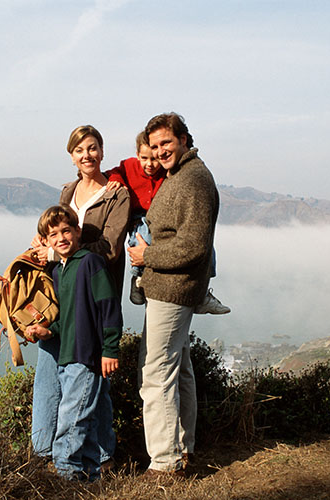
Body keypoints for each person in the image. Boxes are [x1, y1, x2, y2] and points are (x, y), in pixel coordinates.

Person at [29, 125, 130, 467]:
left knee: (90, 382)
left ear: (102, 151)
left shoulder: (117, 194)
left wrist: (58, 254)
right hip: (64, 297)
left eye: (92, 148)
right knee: (53, 380)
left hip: (94, 297)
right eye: (79, 150)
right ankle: (48, 453)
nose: (86, 155)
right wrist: (41, 248)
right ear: (71, 156)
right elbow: (55, 230)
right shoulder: (68, 190)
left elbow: (110, 249)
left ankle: (88, 459)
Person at [128, 112, 219, 476]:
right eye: (154, 146)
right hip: (168, 287)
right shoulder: (177, 176)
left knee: (155, 373)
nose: (160, 150)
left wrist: (146, 254)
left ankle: (165, 464)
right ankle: (183, 450)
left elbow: (195, 245)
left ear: (183, 139)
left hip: (174, 288)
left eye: (166, 142)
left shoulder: (194, 179)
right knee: (178, 370)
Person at [25, 205, 122, 481]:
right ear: (45, 241)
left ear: (78, 231)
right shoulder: (59, 272)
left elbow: (109, 308)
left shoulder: (91, 262)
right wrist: (48, 331)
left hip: (87, 356)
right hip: (66, 357)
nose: (61, 238)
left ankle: (65, 477)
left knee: (71, 419)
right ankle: (90, 478)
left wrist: (110, 350)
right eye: (53, 234)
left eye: (66, 231)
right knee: (86, 421)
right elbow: (65, 317)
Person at [106, 132, 230, 314]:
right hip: (138, 217)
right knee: (144, 237)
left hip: (158, 217)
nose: (149, 164)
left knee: (207, 248)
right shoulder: (129, 165)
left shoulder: (167, 171)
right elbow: (114, 172)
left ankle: (203, 292)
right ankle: (137, 279)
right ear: (137, 154)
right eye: (144, 158)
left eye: (154, 159)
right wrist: (116, 181)